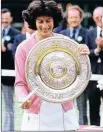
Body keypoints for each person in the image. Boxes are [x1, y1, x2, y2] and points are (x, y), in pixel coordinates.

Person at [14, 0, 90, 131]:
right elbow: (20, 83)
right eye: (40, 21)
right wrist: (22, 98)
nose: (45, 25)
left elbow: (81, 73)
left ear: (54, 20)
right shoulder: (23, 48)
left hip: (64, 112)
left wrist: (83, 55)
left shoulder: (66, 42)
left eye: (48, 20)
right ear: (33, 22)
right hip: (35, 115)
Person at [60, 5, 89, 125]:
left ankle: (83, 128)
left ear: (81, 18)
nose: (73, 20)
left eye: (76, 17)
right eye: (71, 17)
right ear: (67, 19)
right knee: (64, 108)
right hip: (64, 79)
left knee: (82, 109)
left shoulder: (88, 33)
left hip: (81, 78)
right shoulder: (61, 34)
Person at [87, 7, 103, 126]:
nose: (99, 19)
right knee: (93, 105)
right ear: (93, 18)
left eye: (102, 16)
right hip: (93, 76)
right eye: (97, 17)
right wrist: (97, 50)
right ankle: (95, 127)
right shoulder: (89, 33)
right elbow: (86, 52)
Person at [1, 8, 20, 131]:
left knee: (8, 107)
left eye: (6, 18)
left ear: (11, 19)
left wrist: (5, 49)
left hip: (7, 75)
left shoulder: (16, 34)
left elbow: (14, 52)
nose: (4, 20)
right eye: (2, 19)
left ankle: (8, 130)